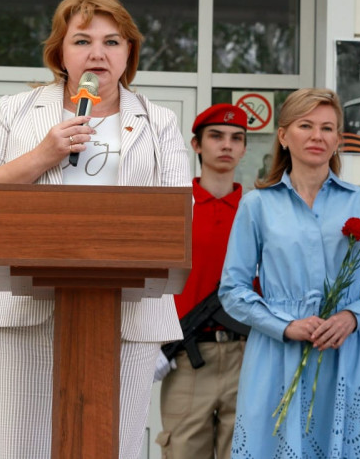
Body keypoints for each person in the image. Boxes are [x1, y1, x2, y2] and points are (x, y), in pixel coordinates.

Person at [0, 0, 191, 459]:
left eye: (111, 41)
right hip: (20, 314)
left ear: (128, 53)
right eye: (82, 40)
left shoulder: (158, 121)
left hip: (130, 316)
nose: (97, 53)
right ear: (60, 52)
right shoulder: (18, 110)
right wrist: (43, 155)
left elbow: (179, 215)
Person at [219, 88, 360, 458]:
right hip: (277, 352)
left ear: (337, 140)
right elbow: (232, 289)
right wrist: (284, 325)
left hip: (344, 351)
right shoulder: (257, 205)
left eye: (327, 128)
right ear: (284, 136)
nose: (317, 136)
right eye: (306, 126)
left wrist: (351, 316)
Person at [155, 103, 249, 459]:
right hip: (186, 356)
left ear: (244, 148)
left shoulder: (257, 211)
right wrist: (153, 341)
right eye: (216, 136)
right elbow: (152, 281)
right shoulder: (177, 208)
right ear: (196, 145)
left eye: (236, 138)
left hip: (248, 354)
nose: (226, 145)